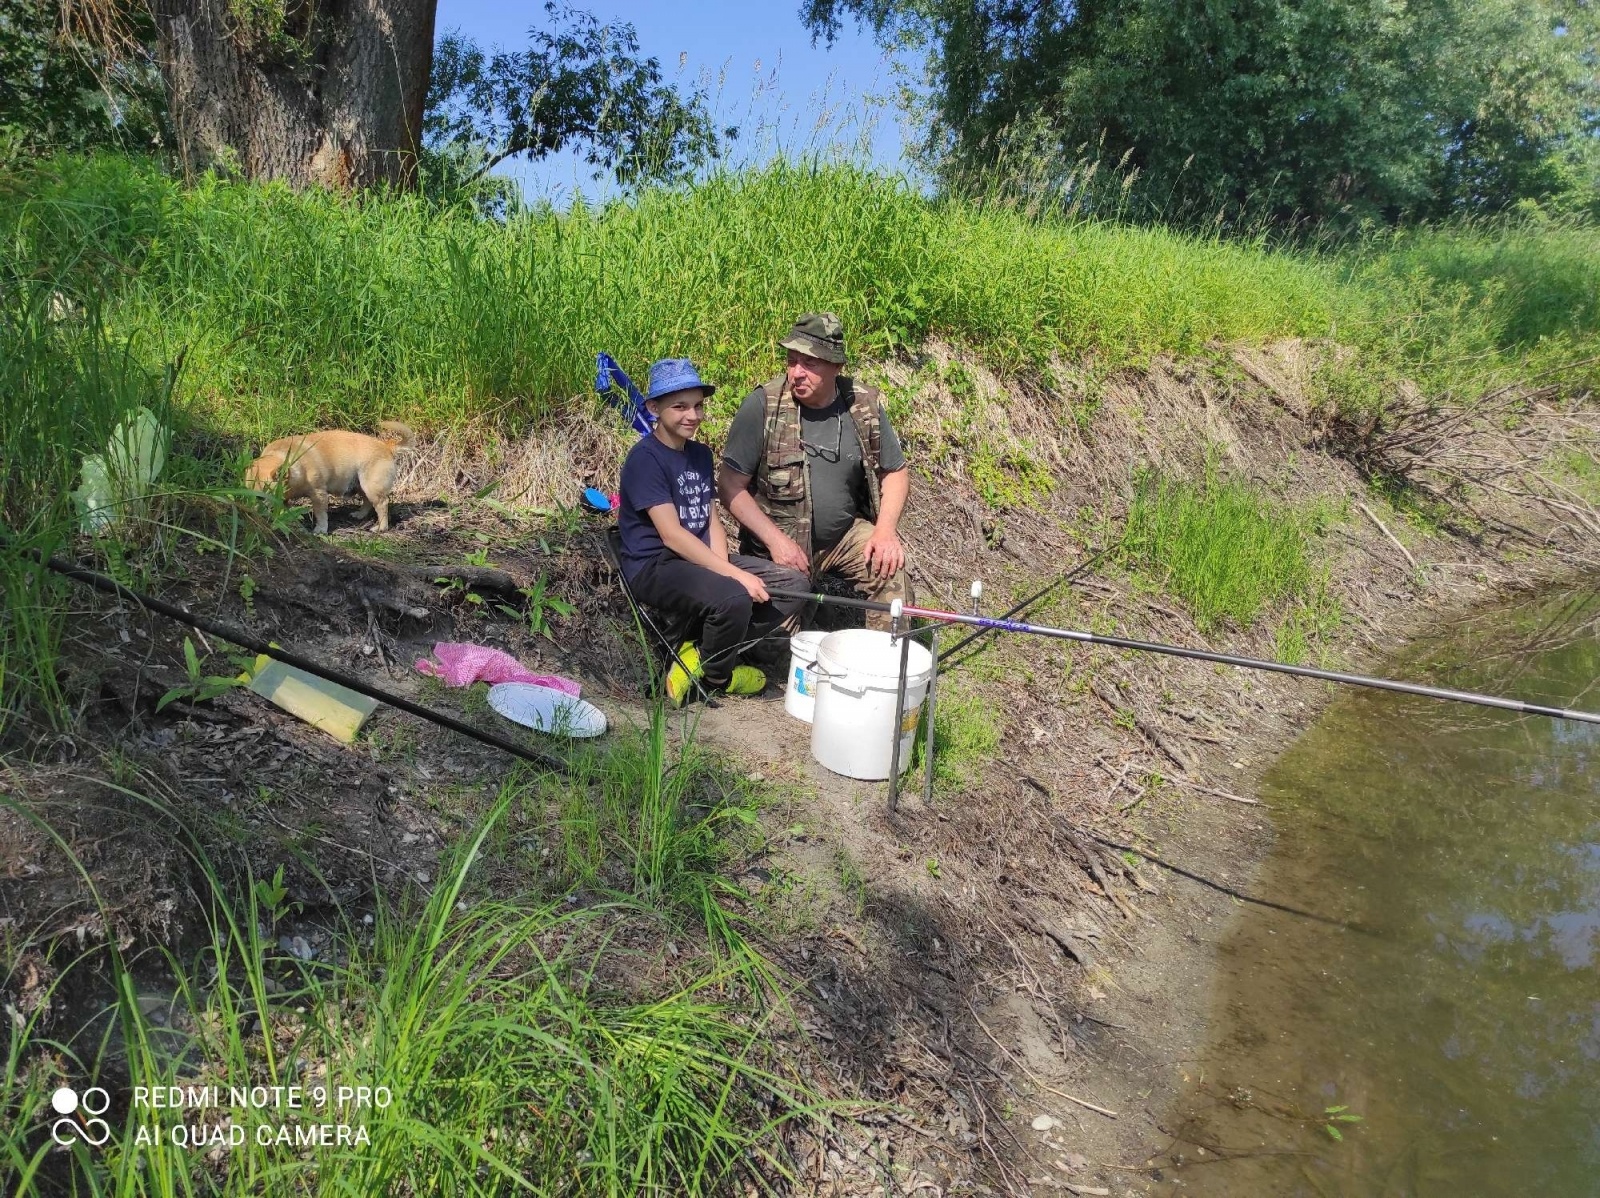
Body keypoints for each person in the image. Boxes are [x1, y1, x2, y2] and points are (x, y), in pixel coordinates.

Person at [617, 358, 809, 704]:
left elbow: (710, 520)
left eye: (698, 406)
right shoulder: (645, 459)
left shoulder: (701, 455)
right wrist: (732, 578)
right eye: (680, 406)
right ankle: (719, 675)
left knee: (795, 585)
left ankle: (701, 650)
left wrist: (725, 568)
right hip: (655, 565)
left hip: (698, 558)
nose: (693, 415)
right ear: (653, 408)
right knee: (733, 595)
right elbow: (671, 535)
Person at [717, 312, 912, 630]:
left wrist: (885, 531)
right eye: (792, 361)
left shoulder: (862, 406)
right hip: (778, 548)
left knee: (889, 569)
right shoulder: (762, 406)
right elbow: (729, 487)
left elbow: (895, 472)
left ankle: (888, 667)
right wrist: (776, 542)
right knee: (769, 648)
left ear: (836, 366)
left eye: (810, 364)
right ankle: (807, 611)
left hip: (843, 537)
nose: (797, 373)